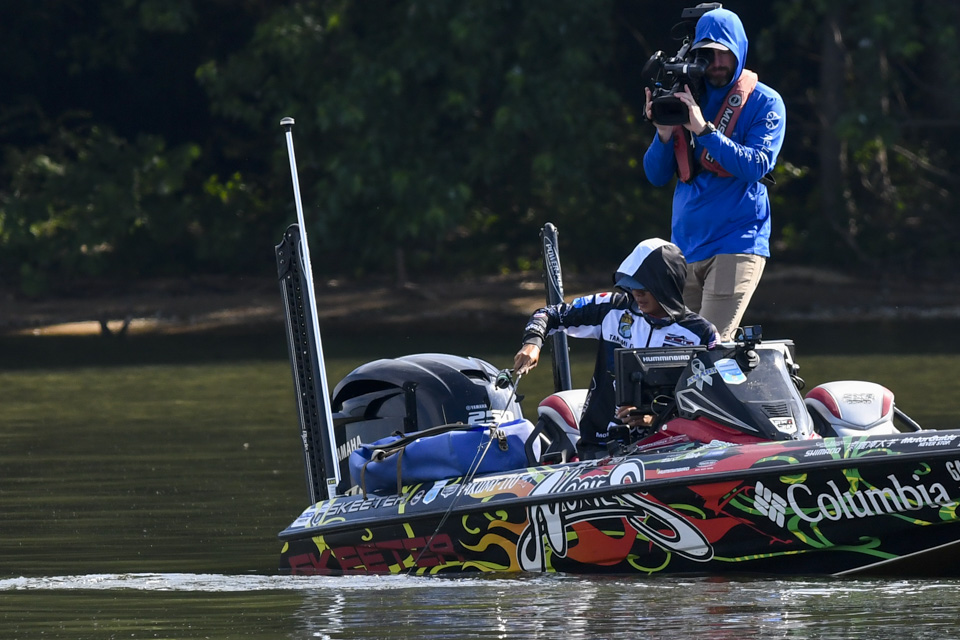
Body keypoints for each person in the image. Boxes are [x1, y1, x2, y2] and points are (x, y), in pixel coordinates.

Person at [642, 7, 786, 342]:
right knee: (676, 349)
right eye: (709, 54)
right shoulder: (687, 94)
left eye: (725, 54)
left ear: (740, 50)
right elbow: (656, 176)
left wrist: (704, 130)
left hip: (737, 242)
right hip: (685, 249)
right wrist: (664, 133)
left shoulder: (765, 102)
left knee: (708, 347)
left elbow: (756, 165)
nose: (717, 63)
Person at [513, 238, 720, 460]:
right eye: (632, 285)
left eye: (644, 288)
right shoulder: (612, 308)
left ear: (665, 284)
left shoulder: (701, 333)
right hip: (600, 445)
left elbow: (712, 399)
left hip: (669, 445)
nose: (636, 293)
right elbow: (548, 314)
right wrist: (533, 342)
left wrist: (656, 419)